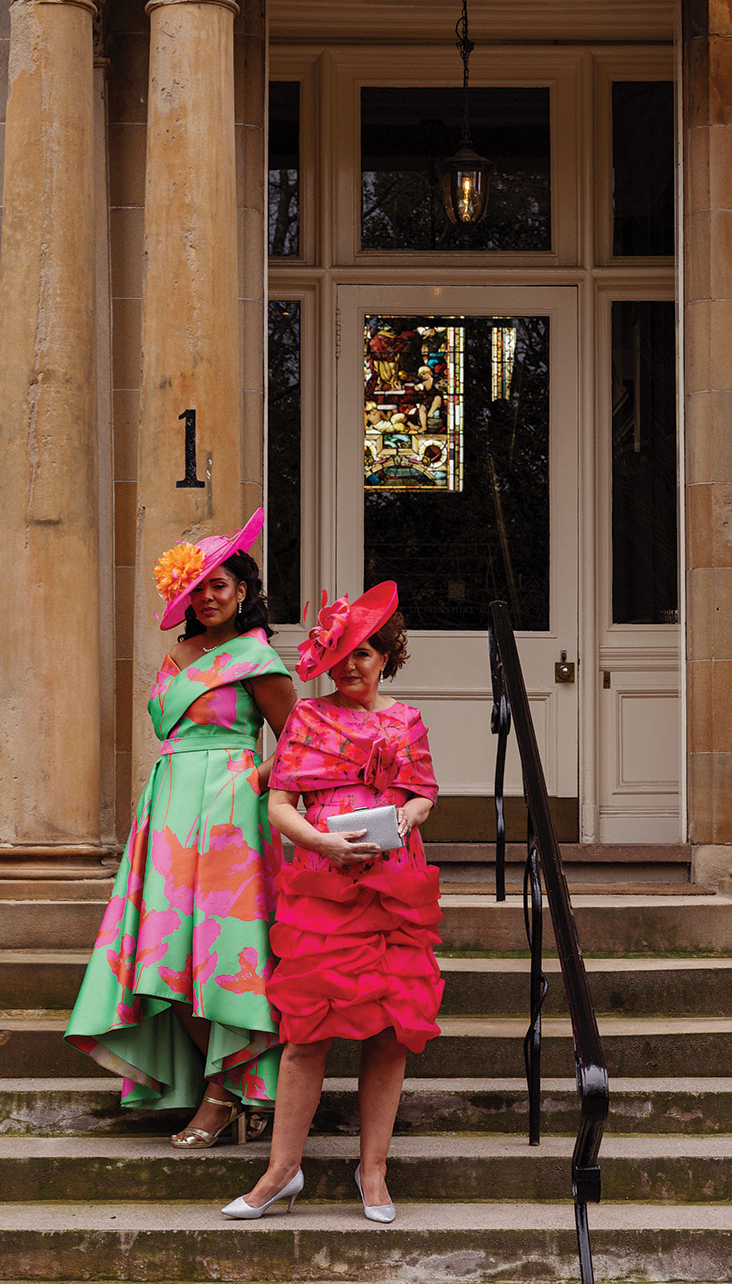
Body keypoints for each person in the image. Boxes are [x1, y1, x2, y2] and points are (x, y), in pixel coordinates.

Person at [66, 508, 298, 1146]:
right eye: (197, 588)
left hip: (232, 822)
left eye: (220, 584)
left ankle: (223, 1095)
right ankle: (214, 1084)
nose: (209, 596)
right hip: (168, 813)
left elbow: (299, 742)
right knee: (164, 958)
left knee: (222, 957)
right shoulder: (177, 656)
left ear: (243, 589)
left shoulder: (257, 658)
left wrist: (260, 782)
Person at [221, 581, 441, 1221]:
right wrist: (323, 842)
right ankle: (279, 1173)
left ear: (386, 658)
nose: (351, 665)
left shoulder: (406, 721)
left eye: (365, 653)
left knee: (392, 1033)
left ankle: (373, 1173)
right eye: (342, 653)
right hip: (322, 890)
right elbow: (278, 803)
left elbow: (423, 793)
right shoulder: (309, 719)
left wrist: (405, 820)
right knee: (306, 1036)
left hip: (394, 889)